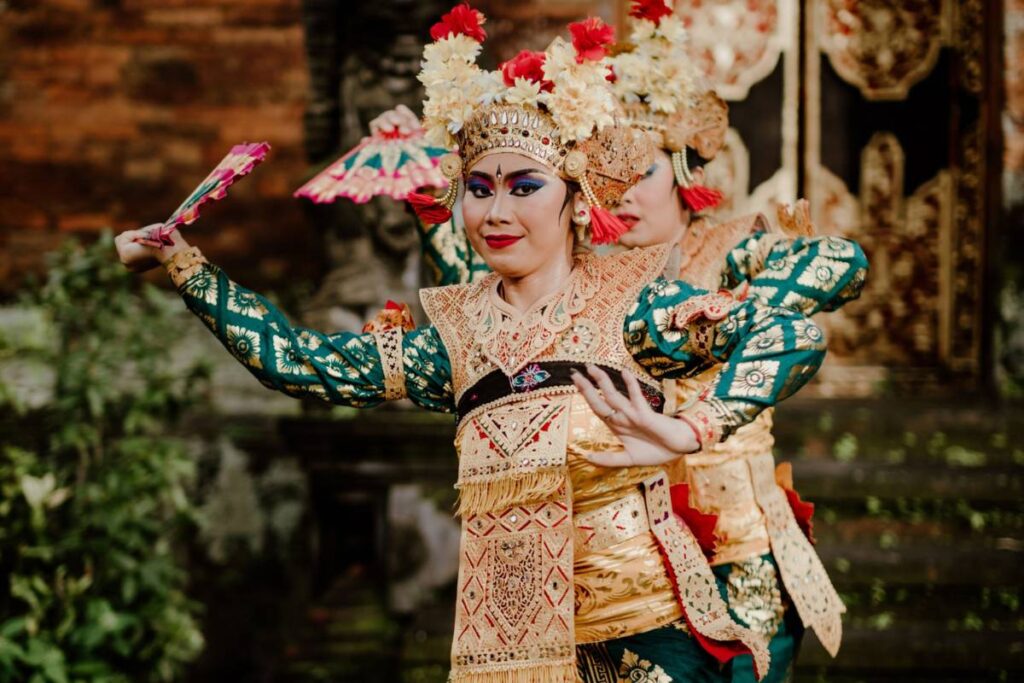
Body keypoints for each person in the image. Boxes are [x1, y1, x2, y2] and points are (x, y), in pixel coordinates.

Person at [115, 5, 857, 681]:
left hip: (644, 647)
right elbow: (299, 363)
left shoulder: (634, 310)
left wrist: (684, 426)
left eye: (524, 186)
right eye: (479, 187)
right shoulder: (455, 338)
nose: (496, 211)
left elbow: (788, 333)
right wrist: (187, 265)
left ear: (575, 199)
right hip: (511, 658)